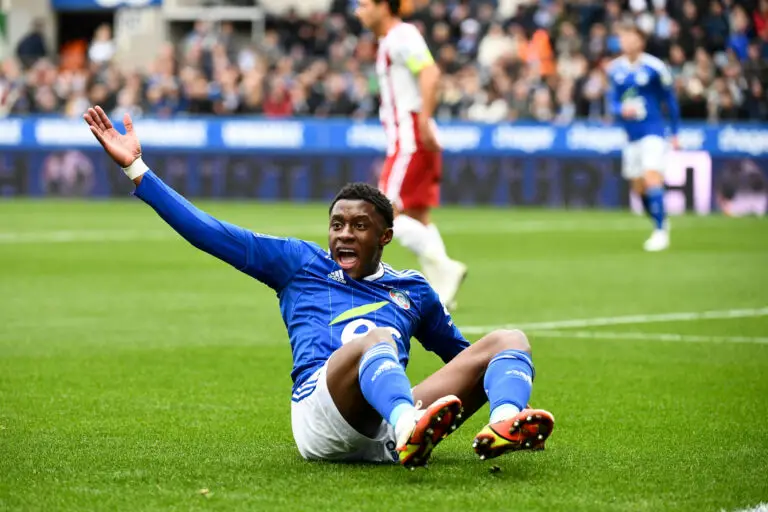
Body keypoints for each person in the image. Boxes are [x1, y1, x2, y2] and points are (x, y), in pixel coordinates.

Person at [82, 106, 555, 468]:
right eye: (337, 224)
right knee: (377, 339)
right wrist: (137, 170)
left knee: (508, 341)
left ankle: (502, 425)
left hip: (380, 425)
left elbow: (464, 358)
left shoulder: (413, 290)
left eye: (359, 226)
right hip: (320, 419)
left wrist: (508, 391)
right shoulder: (298, 264)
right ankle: (408, 426)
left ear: (385, 237)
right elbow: (210, 232)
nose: (344, 235)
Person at [355, 0, 467, 310]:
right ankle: (442, 288)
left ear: (383, 6)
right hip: (414, 138)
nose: (358, 11)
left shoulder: (401, 36)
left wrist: (424, 119)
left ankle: (444, 269)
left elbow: (429, 73)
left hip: (410, 139)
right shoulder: (391, 40)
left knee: (381, 212)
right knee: (417, 215)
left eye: (364, 4)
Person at [607, 24, 681, 252]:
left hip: (653, 132)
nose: (626, 42)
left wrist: (675, 132)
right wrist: (621, 110)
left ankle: (660, 232)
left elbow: (669, 100)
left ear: (641, 42)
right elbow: (612, 102)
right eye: (623, 38)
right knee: (639, 188)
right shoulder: (615, 69)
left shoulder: (655, 67)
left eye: (631, 38)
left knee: (651, 178)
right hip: (631, 136)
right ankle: (660, 219)